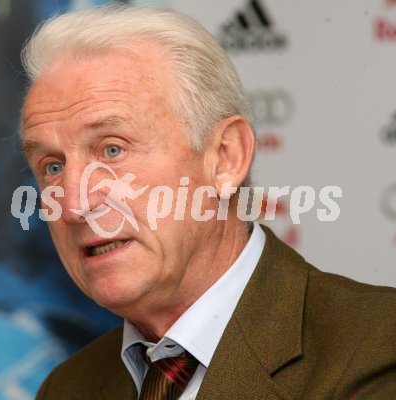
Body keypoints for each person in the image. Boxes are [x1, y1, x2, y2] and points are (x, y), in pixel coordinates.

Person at [20, 5, 396, 399]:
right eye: (52, 167)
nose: (74, 203)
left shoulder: (376, 350)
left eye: (112, 150)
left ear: (225, 158)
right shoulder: (67, 388)